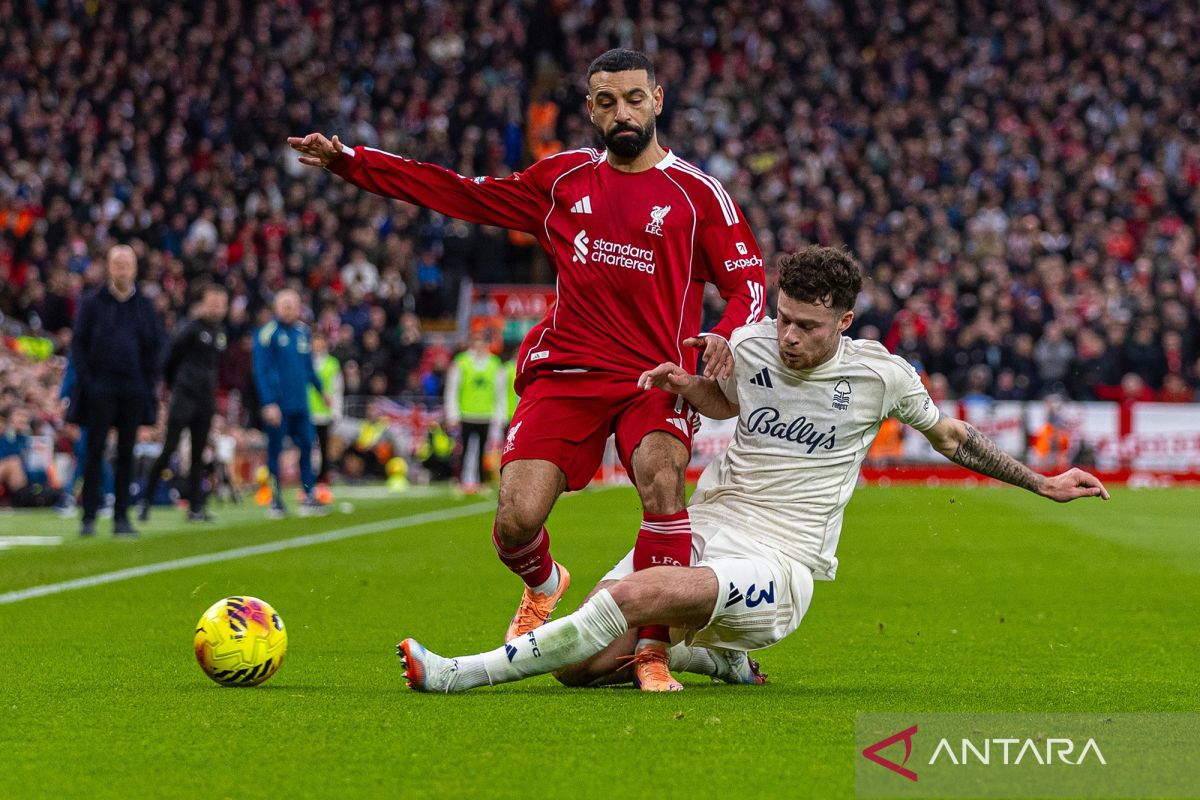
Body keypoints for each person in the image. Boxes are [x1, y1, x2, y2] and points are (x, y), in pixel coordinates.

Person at [395, 246, 1110, 694]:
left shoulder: (880, 377)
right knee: (577, 669)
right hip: (709, 526)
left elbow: (953, 438)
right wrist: (687, 385)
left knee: (640, 595)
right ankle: (711, 659)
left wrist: (1042, 481)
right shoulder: (753, 343)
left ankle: (464, 672)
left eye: (809, 326)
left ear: (846, 322)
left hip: (783, 560)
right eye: (787, 320)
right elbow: (723, 400)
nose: (790, 337)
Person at [290, 48, 767, 691]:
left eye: (633, 98)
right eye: (606, 101)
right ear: (590, 110)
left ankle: (651, 650)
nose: (620, 112)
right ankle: (544, 583)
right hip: (567, 371)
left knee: (662, 482)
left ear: (658, 99)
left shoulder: (696, 195)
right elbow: (459, 193)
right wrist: (354, 162)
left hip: (655, 377)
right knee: (515, 519)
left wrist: (726, 336)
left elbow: (749, 284)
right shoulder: (561, 181)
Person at [70, 245, 164, 537]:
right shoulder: (92, 302)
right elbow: (78, 345)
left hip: (133, 388)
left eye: (127, 265)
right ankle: (88, 516)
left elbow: (156, 347)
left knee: (126, 453)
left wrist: (147, 383)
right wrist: (89, 382)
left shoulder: (145, 306)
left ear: (135, 269)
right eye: (117, 264)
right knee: (94, 450)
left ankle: (121, 517)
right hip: (100, 388)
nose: (122, 270)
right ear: (109, 267)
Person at [140, 283, 228, 522]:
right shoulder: (189, 329)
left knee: (199, 454)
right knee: (169, 449)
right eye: (212, 302)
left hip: (205, 400)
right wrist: (174, 388)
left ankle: (196, 507)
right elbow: (169, 359)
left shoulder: (220, 332)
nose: (216, 307)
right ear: (202, 303)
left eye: (221, 303)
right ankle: (145, 500)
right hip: (184, 397)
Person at [252, 289, 328, 518]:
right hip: (279, 405)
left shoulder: (303, 332)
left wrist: (320, 389)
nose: (289, 309)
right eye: (284, 305)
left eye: (293, 305)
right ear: (276, 307)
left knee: (307, 446)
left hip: (301, 404)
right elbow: (261, 372)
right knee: (275, 450)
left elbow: (308, 367)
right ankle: (275, 499)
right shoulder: (267, 334)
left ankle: (308, 495)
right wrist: (268, 402)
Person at [444, 330, 506, 494]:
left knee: (482, 450)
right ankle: (463, 481)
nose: (479, 345)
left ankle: (479, 481)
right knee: (463, 449)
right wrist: (452, 413)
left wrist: (500, 414)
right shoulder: (462, 361)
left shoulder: (494, 363)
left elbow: (500, 392)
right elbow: (453, 389)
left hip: (485, 414)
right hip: (466, 413)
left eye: (482, 342)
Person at [308, 332, 343, 483]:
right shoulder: (306, 362)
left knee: (324, 446)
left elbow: (337, 388)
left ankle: (323, 475)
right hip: (308, 411)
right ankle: (309, 475)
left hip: (324, 412)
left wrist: (337, 411)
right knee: (308, 445)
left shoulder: (332, 363)